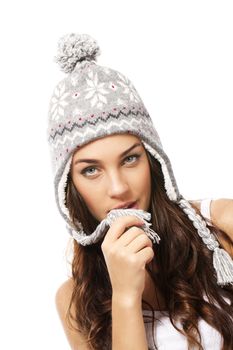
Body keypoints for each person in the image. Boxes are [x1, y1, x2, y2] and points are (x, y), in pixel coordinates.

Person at [46, 33, 233, 350]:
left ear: (153, 160)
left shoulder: (221, 226)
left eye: (130, 159)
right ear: (69, 186)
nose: (119, 188)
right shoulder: (74, 301)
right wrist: (125, 296)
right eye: (91, 170)